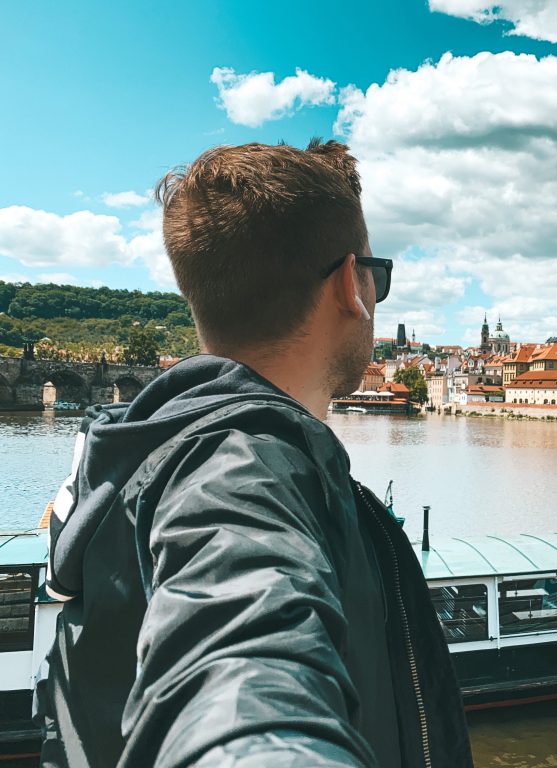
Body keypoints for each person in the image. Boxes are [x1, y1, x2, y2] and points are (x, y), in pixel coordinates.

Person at [35, 140, 473, 767]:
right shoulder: (242, 469)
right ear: (354, 282)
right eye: (376, 274)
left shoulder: (141, 455)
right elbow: (239, 665)